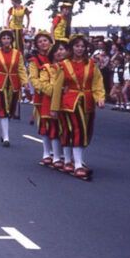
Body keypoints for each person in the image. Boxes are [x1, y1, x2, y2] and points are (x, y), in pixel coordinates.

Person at [50, 35, 106, 180]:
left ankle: (69, 160)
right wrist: (54, 108)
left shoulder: (91, 64)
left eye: (82, 46)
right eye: (77, 46)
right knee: (77, 130)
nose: (80, 49)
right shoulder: (64, 65)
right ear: (71, 48)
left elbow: (97, 83)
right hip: (69, 103)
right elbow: (57, 88)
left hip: (87, 102)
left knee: (83, 130)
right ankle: (78, 164)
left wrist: (99, 97)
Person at [0, 29, 29, 147]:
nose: (6, 40)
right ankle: (6, 137)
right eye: (4, 38)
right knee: (3, 109)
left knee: (11, 110)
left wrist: (25, 82)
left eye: (8, 38)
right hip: (0, 84)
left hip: (14, 84)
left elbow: (21, 69)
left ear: (12, 40)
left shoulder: (17, 53)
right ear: (0, 40)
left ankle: (4, 132)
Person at [29, 33, 64, 166]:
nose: (43, 43)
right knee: (45, 123)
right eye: (40, 41)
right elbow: (33, 78)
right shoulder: (35, 60)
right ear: (36, 45)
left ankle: (59, 153)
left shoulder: (57, 55)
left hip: (60, 95)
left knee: (60, 124)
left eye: (45, 40)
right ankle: (46, 152)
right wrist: (46, 90)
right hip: (43, 95)